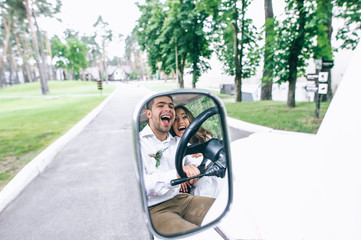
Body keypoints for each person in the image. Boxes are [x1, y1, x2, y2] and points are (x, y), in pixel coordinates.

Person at [139, 95, 215, 236]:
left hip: (182, 199)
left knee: (221, 208)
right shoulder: (139, 144)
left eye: (171, 106)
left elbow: (194, 164)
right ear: (148, 113)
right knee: (198, 236)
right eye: (161, 105)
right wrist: (177, 175)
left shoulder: (178, 142)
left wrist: (198, 164)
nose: (167, 109)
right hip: (155, 208)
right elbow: (141, 185)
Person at [170, 105, 224, 198]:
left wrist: (204, 151)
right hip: (203, 188)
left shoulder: (205, 137)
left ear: (190, 119)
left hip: (220, 174)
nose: (180, 122)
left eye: (184, 117)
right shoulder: (174, 144)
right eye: (175, 119)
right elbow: (173, 166)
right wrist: (181, 173)